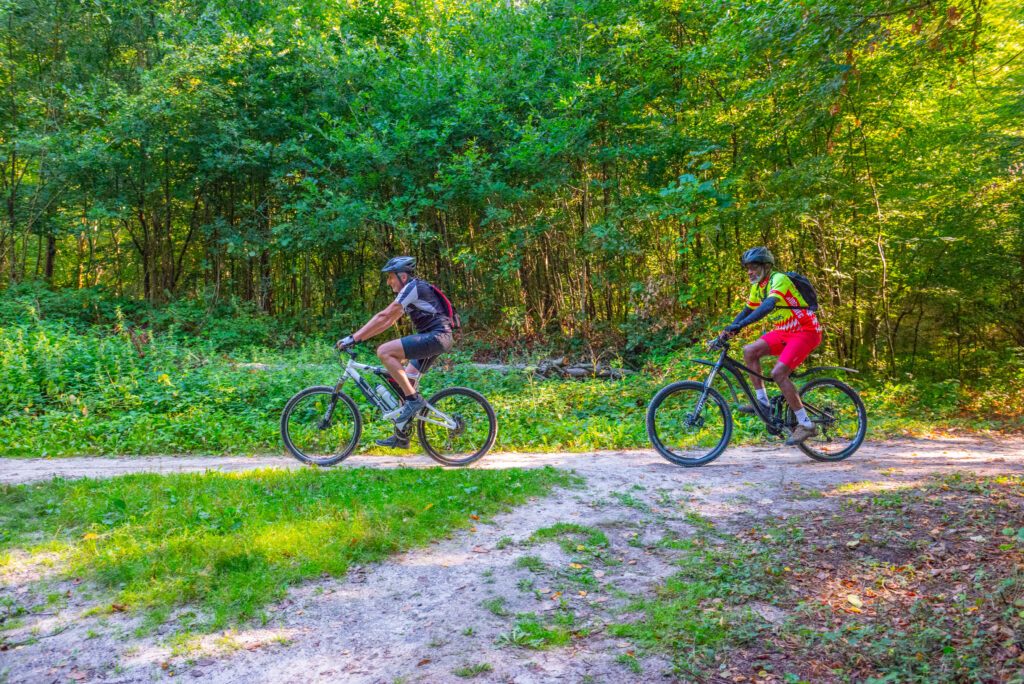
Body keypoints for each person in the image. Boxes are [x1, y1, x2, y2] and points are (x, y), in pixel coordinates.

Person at [336, 256, 455, 448]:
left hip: (436, 336)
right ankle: (401, 436)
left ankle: (414, 401)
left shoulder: (413, 288)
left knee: (384, 351)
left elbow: (383, 315)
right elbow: (387, 321)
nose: (388, 281)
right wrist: (359, 337)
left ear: (403, 276)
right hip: (437, 338)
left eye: (391, 277)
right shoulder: (409, 292)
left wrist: (353, 338)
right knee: (404, 384)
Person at [721, 247, 823, 445]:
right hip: (784, 331)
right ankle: (763, 403)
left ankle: (806, 424)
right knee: (749, 351)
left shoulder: (779, 279)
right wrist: (727, 331)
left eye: (754, 267)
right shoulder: (757, 287)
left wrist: (740, 326)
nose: (749, 272)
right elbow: (746, 310)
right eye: (747, 268)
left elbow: (767, 306)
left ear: (766, 266)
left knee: (778, 374)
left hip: (805, 330)